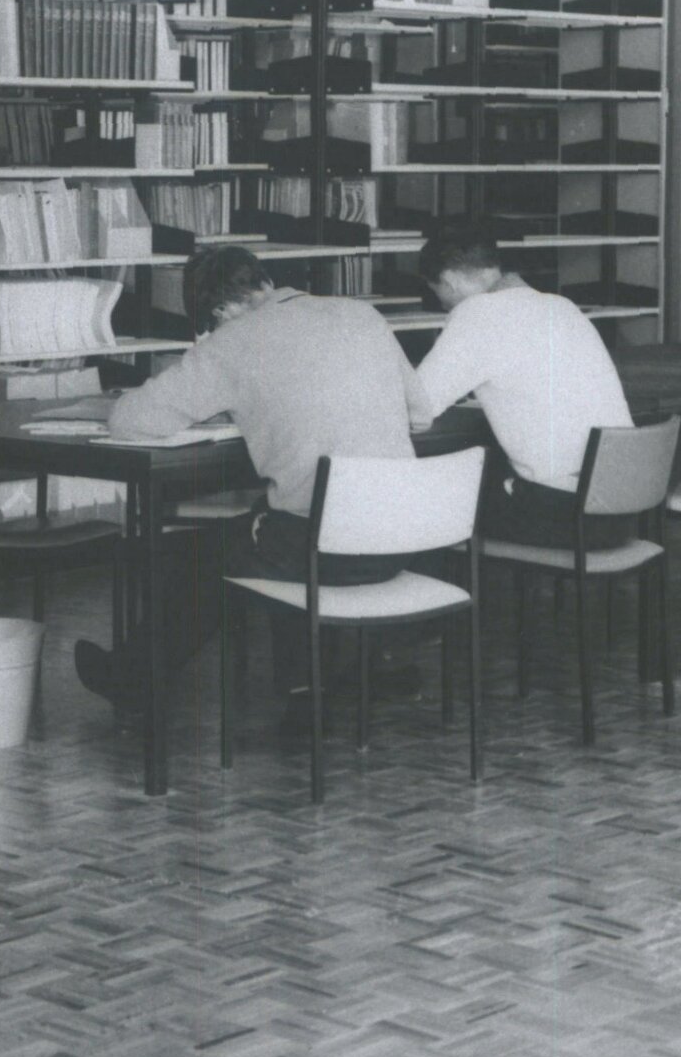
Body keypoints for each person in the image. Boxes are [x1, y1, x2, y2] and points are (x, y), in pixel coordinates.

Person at [75, 246, 438, 728]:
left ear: (220, 311)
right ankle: (315, 684)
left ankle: (134, 678)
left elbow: (130, 420)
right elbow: (421, 415)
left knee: (201, 554)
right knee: (275, 521)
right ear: (265, 283)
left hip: (324, 550)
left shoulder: (233, 341)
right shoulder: (362, 314)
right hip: (405, 537)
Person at [415, 219, 636, 550]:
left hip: (572, 516)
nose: (444, 305)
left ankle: (447, 598)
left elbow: (418, 407)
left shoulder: (476, 313)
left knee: (431, 495)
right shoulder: (561, 306)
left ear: (450, 281)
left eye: (439, 294)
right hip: (624, 507)